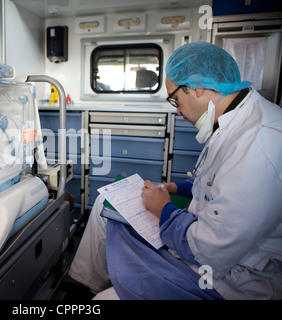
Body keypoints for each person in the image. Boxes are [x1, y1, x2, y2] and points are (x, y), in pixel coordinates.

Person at [69, 42, 282, 300]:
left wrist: (164, 210)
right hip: (200, 236)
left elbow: (211, 252)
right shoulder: (233, 120)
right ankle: (87, 284)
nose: (178, 111)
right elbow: (218, 184)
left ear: (197, 88)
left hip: (228, 279)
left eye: (175, 100)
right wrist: (178, 189)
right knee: (106, 201)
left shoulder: (258, 144)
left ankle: (106, 292)